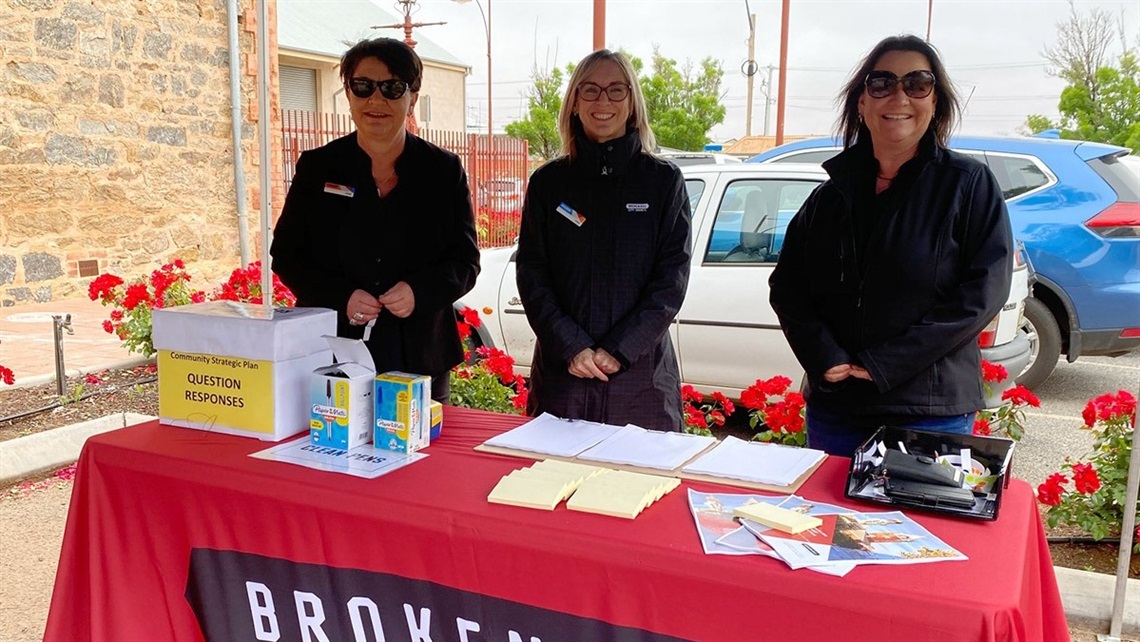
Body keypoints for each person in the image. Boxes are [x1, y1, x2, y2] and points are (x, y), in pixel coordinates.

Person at [769, 35, 1013, 456]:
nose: (898, 95)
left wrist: (886, 364)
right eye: (881, 83)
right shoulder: (830, 196)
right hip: (837, 407)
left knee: (914, 524)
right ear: (862, 103)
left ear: (935, 101)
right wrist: (824, 356)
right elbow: (788, 287)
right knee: (829, 522)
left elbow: (983, 292)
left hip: (929, 411)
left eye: (917, 83)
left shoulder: (968, 185)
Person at [270, 38, 480, 404]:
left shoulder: (443, 171)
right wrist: (342, 297)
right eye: (363, 86)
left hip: (422, 357)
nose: (376, 100)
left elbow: (466, 261)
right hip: (332, 352)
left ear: (412, 97)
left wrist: (420, 291)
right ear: (349, 93)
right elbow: (287, 255)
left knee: (423, 458)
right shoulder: (318, 167)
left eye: (392, 87)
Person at [515, 49, 692, 431]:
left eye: (616, 90)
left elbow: (671, 282)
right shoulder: (549, 183)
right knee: (552, 484)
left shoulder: (663, 182)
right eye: (590, 90)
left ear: (632, 103)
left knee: (643, 487)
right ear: (574, 102)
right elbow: (532, 274)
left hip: (642, 384)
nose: (603, 101)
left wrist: (619, 350)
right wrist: (572, 346)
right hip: (564, 379)